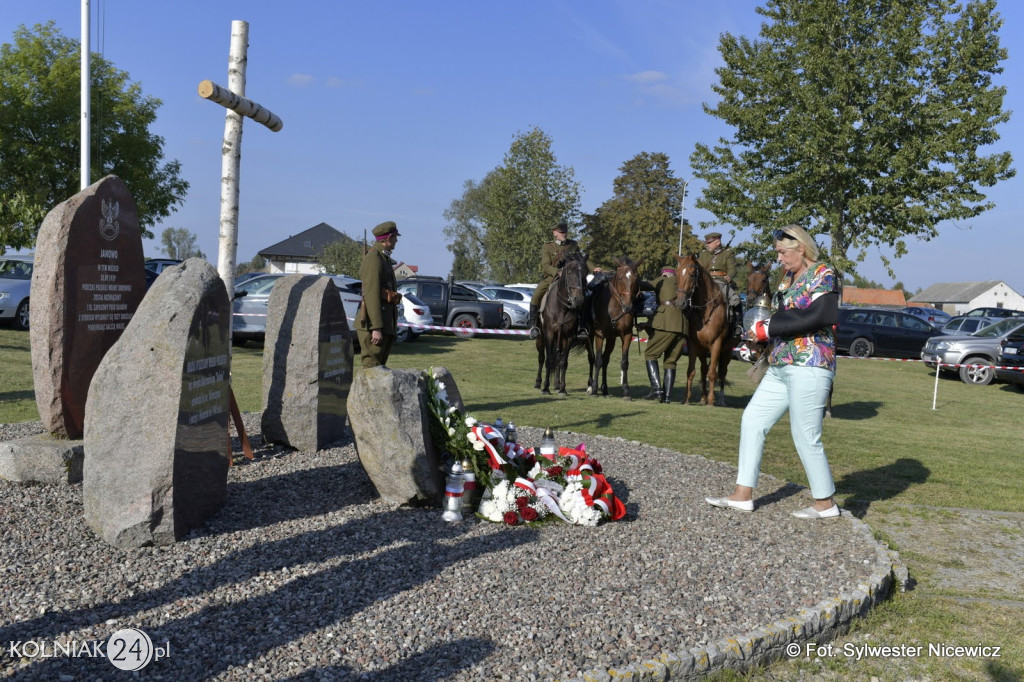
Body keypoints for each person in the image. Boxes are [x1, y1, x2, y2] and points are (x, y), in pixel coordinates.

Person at [704, 224, 842, 519]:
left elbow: (824, 315)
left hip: (810, 363)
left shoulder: (823, 273)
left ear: (800, 248)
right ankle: (742, 494)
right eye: (777, 253)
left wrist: (769, 328)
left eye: (782, 252)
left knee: (806, 435)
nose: (778, 258)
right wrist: (761, 335)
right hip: (781, 362)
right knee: (752, 420)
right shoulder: (788, 279)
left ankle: (825, 503)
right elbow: (785, 316)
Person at [528, 222, 598, 339]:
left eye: (565, 232)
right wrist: (557, 272)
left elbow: (582, 260)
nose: (564, 234)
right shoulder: (547, 247)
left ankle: (582, 326)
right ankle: (533, 326)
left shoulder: (573, 244)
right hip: (552, 277)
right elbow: (545, 265)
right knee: (536, 295)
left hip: (571, 278)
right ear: (555, 233)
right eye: (561, 232)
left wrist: (593, 268)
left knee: (583, 297)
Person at [356, 221, 402, 368]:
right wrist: (376, 327)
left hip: (384, 323)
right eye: (395, 237)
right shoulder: (374, 259)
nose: (396, 240)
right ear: (388, 238)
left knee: (379, 369)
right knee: (372, 369)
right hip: (374, 326)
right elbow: (371, 294)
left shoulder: (383, 258)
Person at [639, 266, 687, 402]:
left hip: (666, 324)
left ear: (665, 273)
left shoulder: (664, 279)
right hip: (682, 325)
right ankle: (666, 397)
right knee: (670, 361)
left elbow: (644, 285)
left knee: (650, 354)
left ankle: (656, 390)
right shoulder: (682, 282)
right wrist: (647, 324)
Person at [697, 231, 743, 336]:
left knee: (735, 299)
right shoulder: (703, 254)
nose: (707, 244)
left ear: (717, 242)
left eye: (710, 242)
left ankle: (738, 325)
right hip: (705, 282)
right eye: (706, 242)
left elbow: (732, 269)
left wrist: (729, 276)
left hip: (720, 281)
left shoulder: (727, 253)